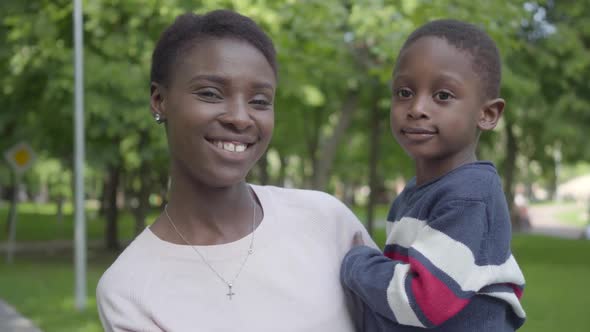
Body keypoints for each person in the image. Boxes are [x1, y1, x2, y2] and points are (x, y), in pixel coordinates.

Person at [96, 9, 374, 332]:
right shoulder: (128, 291)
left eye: (259, 100)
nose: (240, 118)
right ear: (159, 100)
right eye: (211, 94)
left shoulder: (326, 221)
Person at [340, 19, 526, 331]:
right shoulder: (414, 195)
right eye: (404, 91)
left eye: (442, 96)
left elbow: (424, 301)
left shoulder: (469, 196)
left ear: (487, 114)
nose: (417, 108)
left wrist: (356, 263)